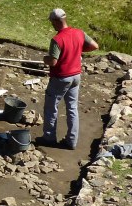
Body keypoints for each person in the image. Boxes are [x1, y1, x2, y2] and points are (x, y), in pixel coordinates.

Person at [39, 8, 99, 150]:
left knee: (51, 107)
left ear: (55, 21)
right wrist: (77, 50)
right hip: (76, 76)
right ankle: (71, 141)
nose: (51, 25)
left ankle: (49, 138)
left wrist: (44, 59)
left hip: (61, 77)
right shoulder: (79, 33)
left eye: (52, 22)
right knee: (72, 108)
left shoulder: (57, 39)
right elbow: (95, 46)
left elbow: (53, 61)